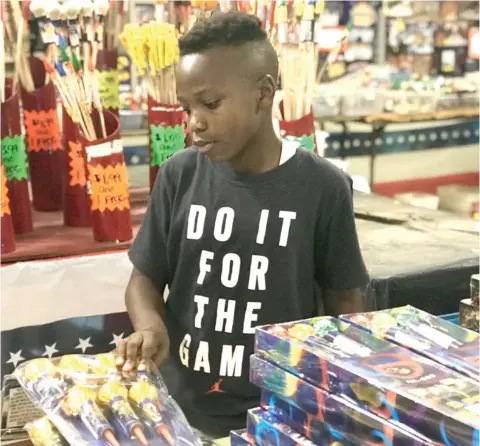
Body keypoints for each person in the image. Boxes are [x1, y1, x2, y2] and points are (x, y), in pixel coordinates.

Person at [115, 11, 369, 439]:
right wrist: (150, 326)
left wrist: (338, 396)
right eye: (187, 107)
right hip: (183, 410)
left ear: (264, 93)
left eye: (210, 104)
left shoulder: (322, 186)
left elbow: (346, 300)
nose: (194, 121)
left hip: (281, 416)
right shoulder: (180, 175)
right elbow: (143, 279)